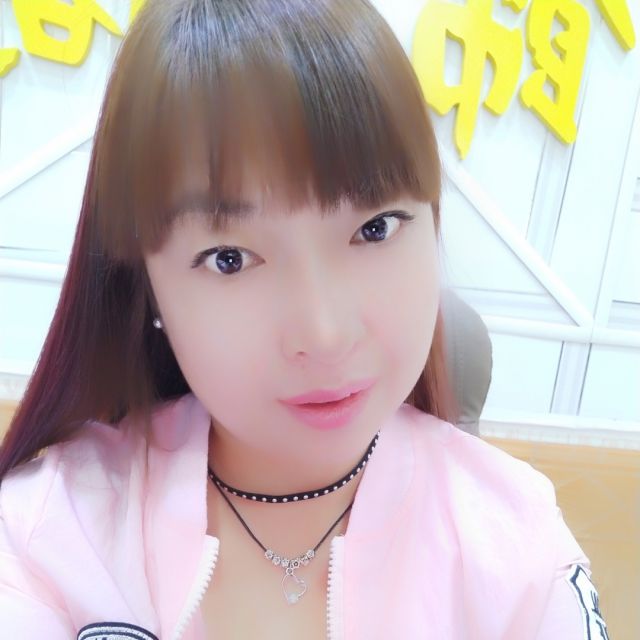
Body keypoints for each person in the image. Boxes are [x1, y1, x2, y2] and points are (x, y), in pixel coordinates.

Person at [0, 1, 610, 638]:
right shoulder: (54, 532)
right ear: (148, 287)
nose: (325, 335)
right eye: (230, 258)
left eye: (375, 228)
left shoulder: (518, 555)